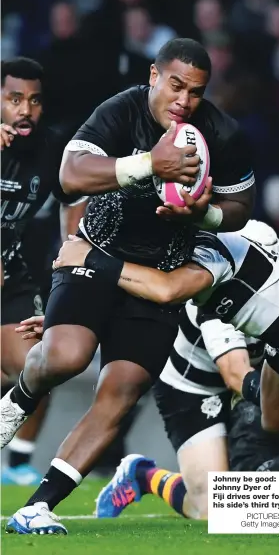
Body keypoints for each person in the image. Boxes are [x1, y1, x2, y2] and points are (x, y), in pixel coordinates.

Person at [1, 38, 255, 535]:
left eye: (196, 92)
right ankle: (18, 399)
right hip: (95, 254)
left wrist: (203, 212)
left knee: (123, 387)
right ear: (155, 77)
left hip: (161, 275)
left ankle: (38, 506)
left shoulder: (222, 134)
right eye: (176, 85)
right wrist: (148, 165)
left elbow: (240, 205)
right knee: (66, 356)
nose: (183, 101)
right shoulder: (121, 111)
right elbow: (71, 176)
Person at [1, 57, 86, 485]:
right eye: (14, 98)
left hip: (9, 275)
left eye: (33, 100)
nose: (25, 110)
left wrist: (71, 246)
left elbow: (74, 193)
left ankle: (15, 464)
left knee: (41, 361)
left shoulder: (51, 148)